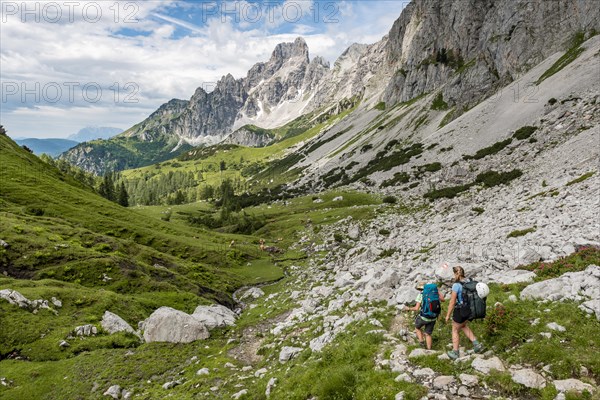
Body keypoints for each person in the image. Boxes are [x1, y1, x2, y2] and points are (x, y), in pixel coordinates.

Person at [444, 266, 484, 359]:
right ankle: (476, 344)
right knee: (463, 326)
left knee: (454, 330)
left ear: (455, 274)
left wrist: (447, 315)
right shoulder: (469, 281)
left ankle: (455, 352)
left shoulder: (456, 285)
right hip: (470, 309)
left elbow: (452, 302)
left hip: (460, 310)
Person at [405, 281, 445, 349]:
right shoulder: (434, 295)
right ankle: (429, 350)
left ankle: (421, 342)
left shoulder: (420, 295)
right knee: (428, 334)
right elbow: (443, 299)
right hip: (433, 317)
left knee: (417, 328)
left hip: (424, 317)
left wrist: (408, 308)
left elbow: (416, 308)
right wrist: (437, 291)